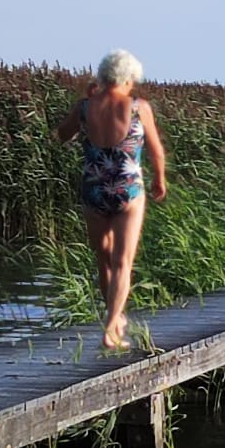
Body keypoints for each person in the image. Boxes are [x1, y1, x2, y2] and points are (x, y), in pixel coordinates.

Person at [55, 49, 168, 350]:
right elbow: (156, 149)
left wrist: (85, 104)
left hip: (94, 189)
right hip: (127, 189)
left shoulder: (84, 107)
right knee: (122, 263)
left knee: (103, 258)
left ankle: (115, 320)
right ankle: (111, 329)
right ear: (128, 79)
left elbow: (61, 135)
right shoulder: (138, 107)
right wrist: (159, 179)